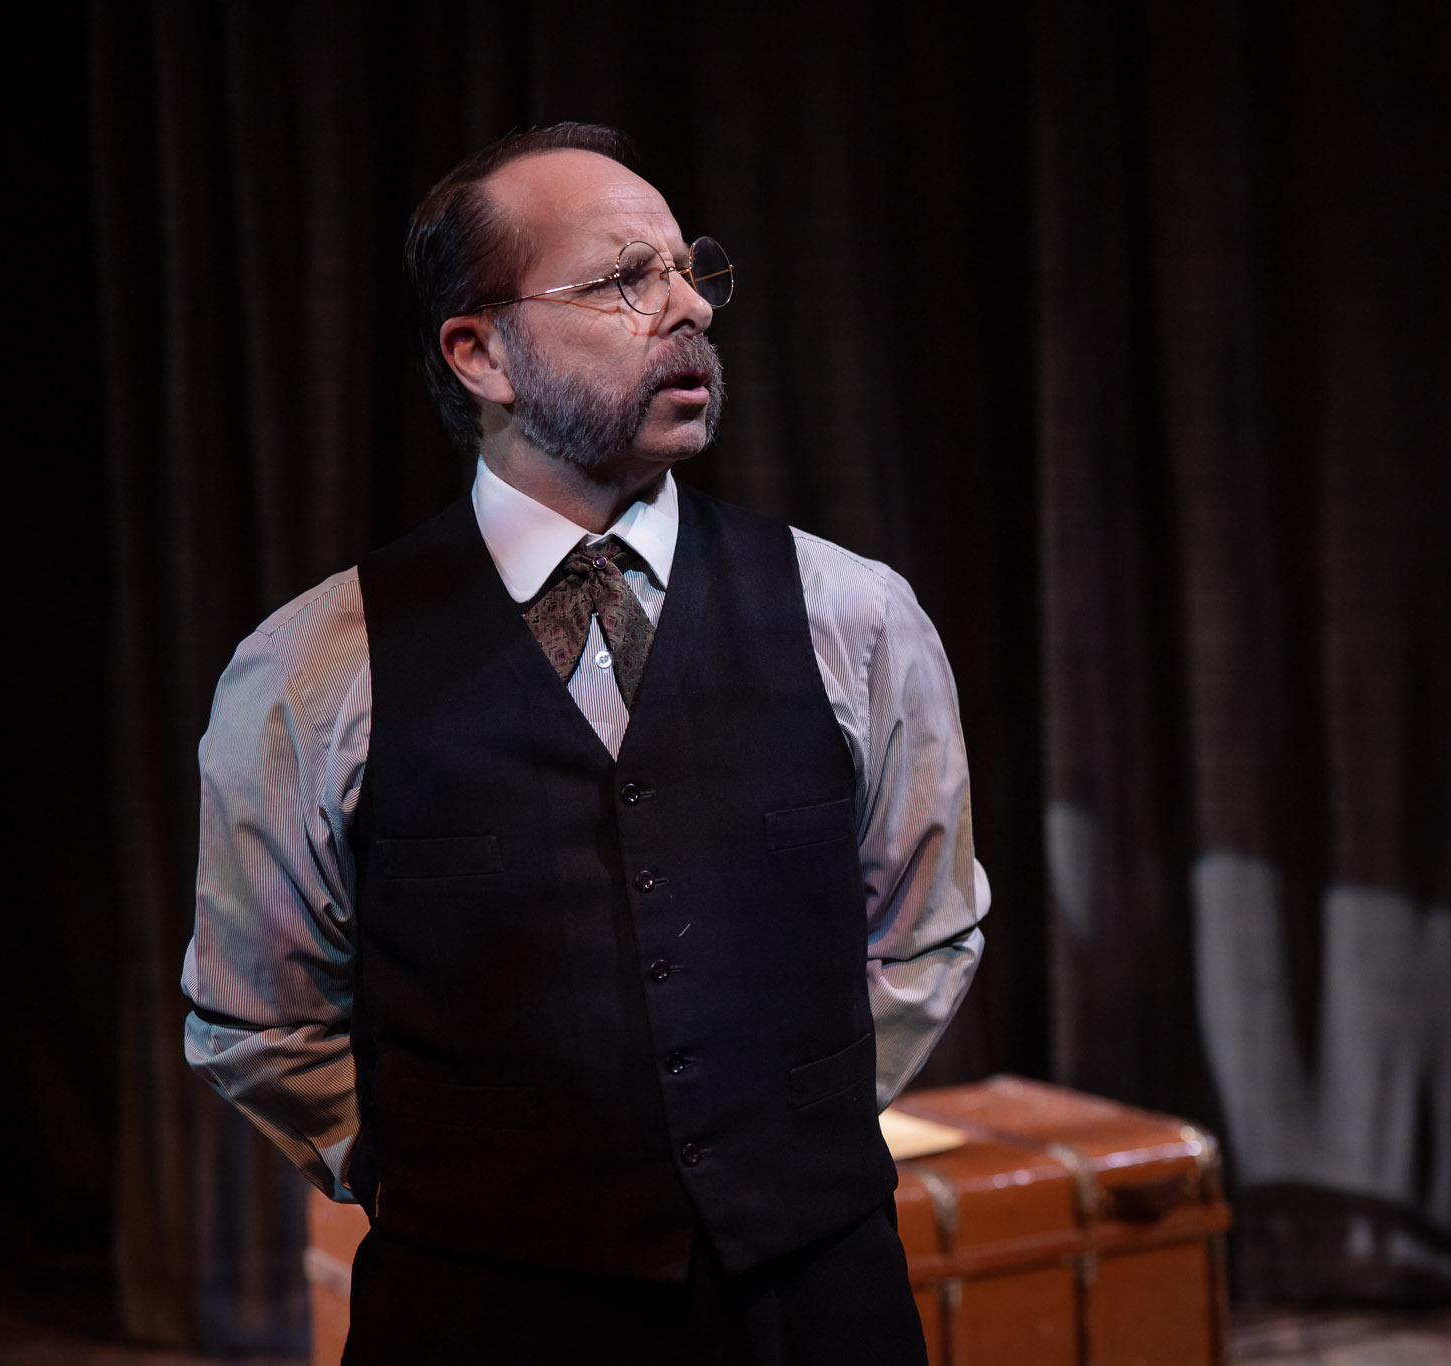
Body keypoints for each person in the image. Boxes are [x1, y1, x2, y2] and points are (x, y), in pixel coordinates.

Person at [181, 123, 987, 1364]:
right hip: (481, 1308)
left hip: (808, 1297)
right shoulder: (314, 666)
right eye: (622, 279)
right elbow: (258, 1015)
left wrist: (771, 1138)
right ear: (480, 350)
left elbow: (923, 928)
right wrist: (440, 1174)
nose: (685, 312)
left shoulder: (854, 615)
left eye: (686, 271)